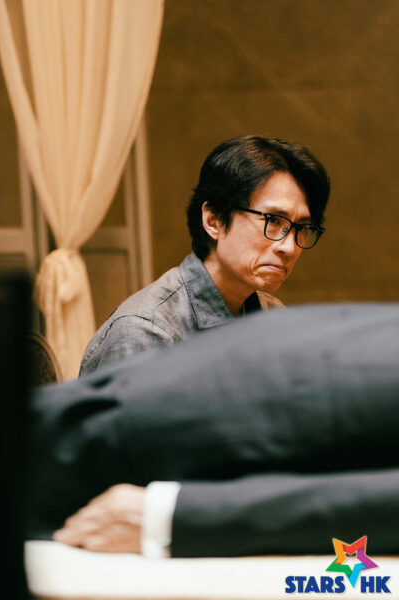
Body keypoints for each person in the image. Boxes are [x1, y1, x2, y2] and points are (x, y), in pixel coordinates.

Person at [28, 303, 399, 558]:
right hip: (291, 386)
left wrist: (171, 515)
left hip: (303, 394)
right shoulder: (147, 321)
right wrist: (172, 516)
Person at [80, 136, 330, 375]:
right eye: (273, 220)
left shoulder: (272, 315)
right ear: (213, 220)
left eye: (301, 228)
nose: (289, 247)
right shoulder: (146, 333)